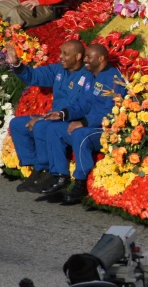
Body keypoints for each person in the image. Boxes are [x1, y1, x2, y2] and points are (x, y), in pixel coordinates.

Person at [41, 44, 125, 203]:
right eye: (85, 56)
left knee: (80, 133)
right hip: (88, 125)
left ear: (100, 59)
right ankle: (60, 177)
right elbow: (82, 104)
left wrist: (84, 122)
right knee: (54, 129)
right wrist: (63, 113)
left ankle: (79, 184)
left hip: (105, 130)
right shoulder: (90, 76)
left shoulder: (114, 79)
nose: (84, 60)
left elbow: (111, 113)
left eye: (88, 57)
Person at [7, 40, 90, 193]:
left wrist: (43, 118)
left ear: (78, 56)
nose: (60, 57)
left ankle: (45, 170)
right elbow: (34, 76)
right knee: (17, 124)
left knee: (41, 125)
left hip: (67, 120)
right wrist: (17, 64)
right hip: (52, 117)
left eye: (65, 54)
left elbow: (80, 107)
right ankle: (36, 171)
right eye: (60, 52)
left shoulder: (87, 76)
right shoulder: (58, 70)